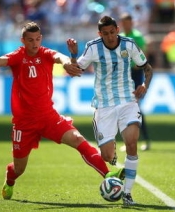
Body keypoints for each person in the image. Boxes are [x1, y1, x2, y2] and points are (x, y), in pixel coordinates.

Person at [0, 22, 124, 200]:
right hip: (24, 123)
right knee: (19, 168)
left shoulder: (45, 53)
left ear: (41, 39)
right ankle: (10, 179)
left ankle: (107, 174)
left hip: (48, 116)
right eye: (30, 40)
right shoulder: (17, 57)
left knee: (77, 139)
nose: (34, 44)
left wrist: (68, 62)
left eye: (37, 39)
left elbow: (60, 57)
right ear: (23, 41)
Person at [67, 16, 153, 205]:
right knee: (106, 156)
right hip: (104, 105)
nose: (110, 37)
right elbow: (75, 71)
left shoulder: (129, 45)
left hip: (127, 101)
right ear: (100, 34)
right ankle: (112, 154)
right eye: (105, 34)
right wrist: (73, 55)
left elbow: (147, 68)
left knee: (131, 143)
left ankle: (128, 194)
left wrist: (145, 85)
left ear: (117, 29)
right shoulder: (93, 47)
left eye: (112, 32)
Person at [119, 13, 151, 151]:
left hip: (135, 74)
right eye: (124, 22)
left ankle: (145, 140)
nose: (126, 25)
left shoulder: (137, 36)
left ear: (131, 23)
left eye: (128, 22)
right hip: (123, 75)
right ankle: (129, 141)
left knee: (135, 107)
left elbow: (144, 55)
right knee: (124, 108)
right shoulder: (119, 37)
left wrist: (137, 65)